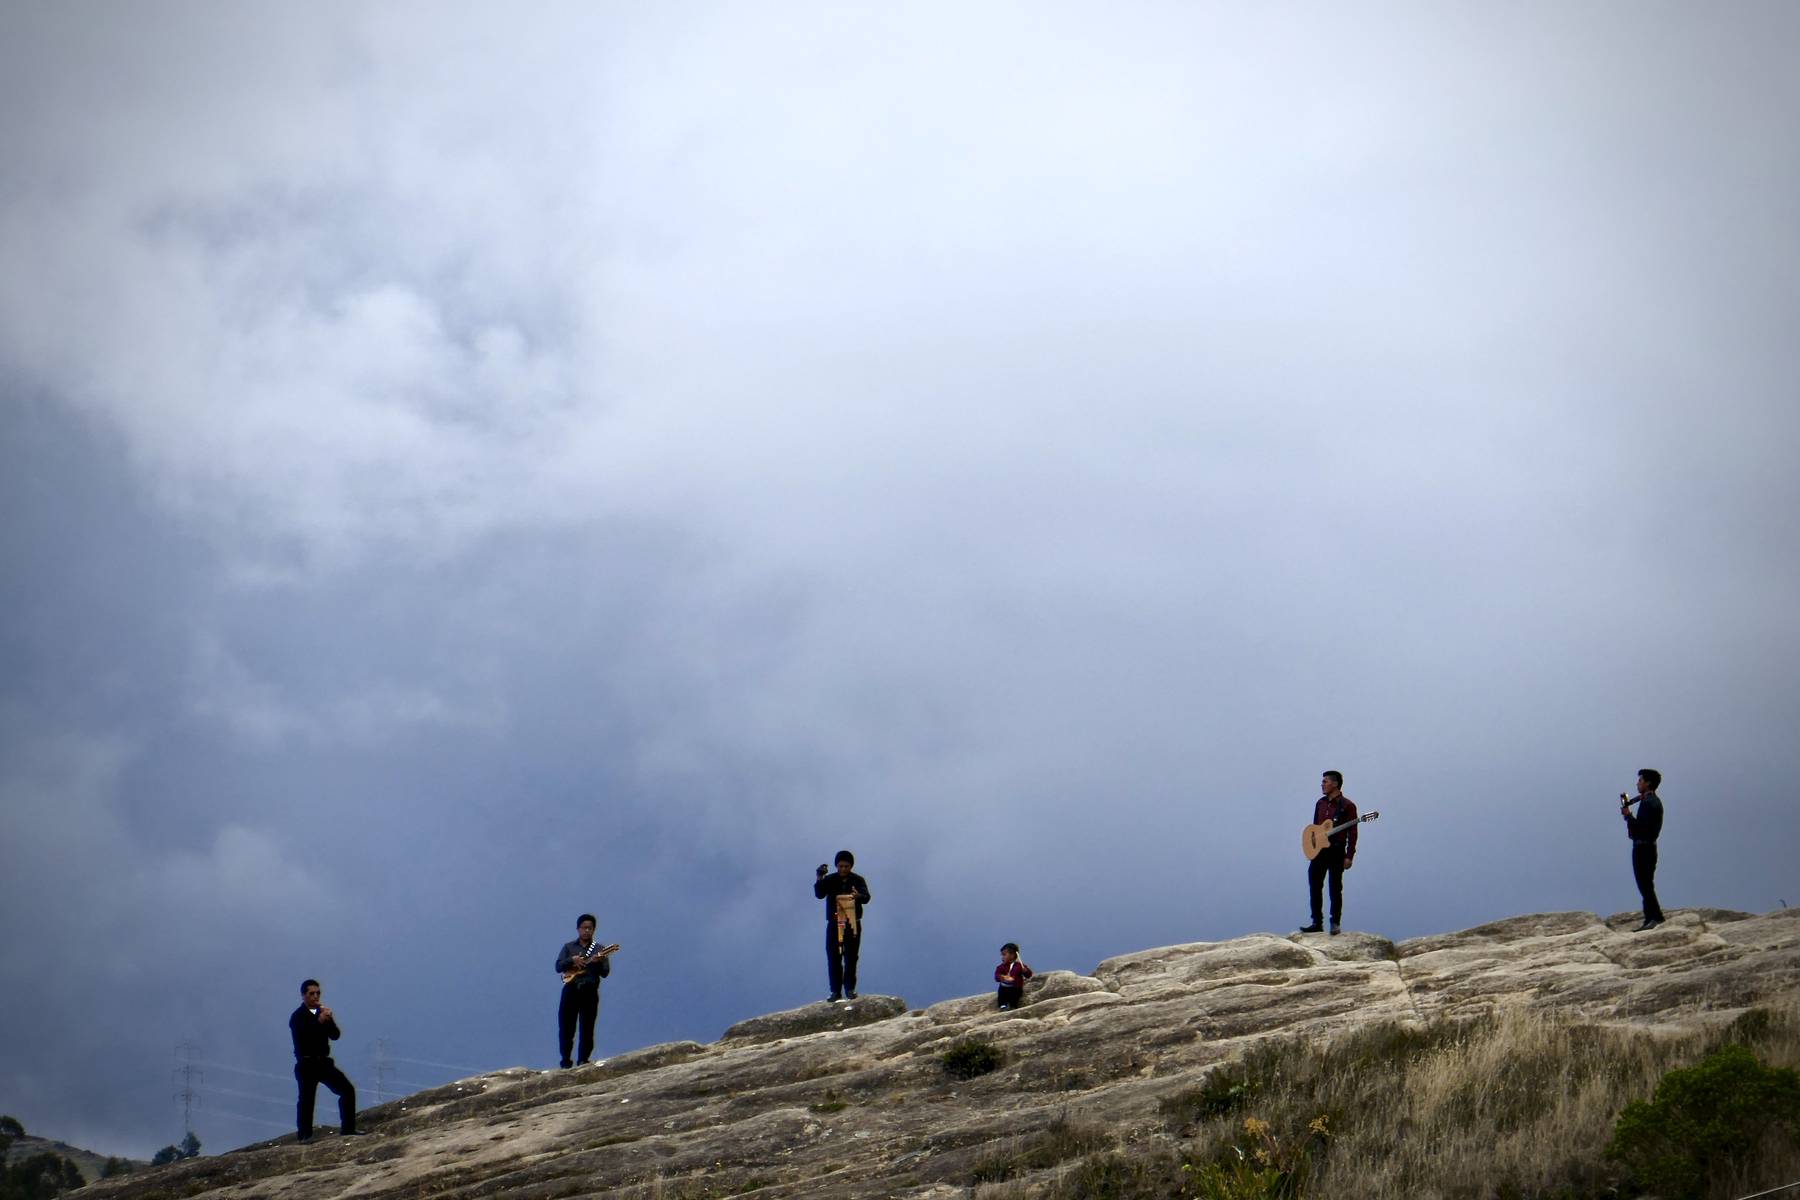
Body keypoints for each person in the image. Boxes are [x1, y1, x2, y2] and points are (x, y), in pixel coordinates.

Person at [289, 979, 362, 1141]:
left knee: (347, 1090)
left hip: (323, 1062)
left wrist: (328, 1020)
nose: (315, 997)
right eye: (311, 994)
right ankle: (305, 1135)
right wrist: (319, 1021)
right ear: (304, 996)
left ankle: (348, 1128)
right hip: (307, 1064)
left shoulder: (321, 1012)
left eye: (318, 993)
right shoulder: (298, 1016)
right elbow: (304, 1035)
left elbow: (335, 1035)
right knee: (307, 1100)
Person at [1299, 770, 1358, 936]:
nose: (1322, 784)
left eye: (1325, 781)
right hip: (1319, 850)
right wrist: (1312, 842)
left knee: (1335, 887)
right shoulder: (1320, 803)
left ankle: (1335, 923)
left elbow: (1353, 832)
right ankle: (1316, 922)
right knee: (1315, 884)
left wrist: (1349, 855)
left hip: (1336, 849)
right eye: (1322, 781)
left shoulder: (1347, 806)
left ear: (1335, 784)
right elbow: (1315, 826)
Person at [554, 913, 613, 1068]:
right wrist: (572, 960)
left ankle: (583, 1061)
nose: (586, 931)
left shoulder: (600, 949)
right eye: (584, 928)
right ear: (578, 929)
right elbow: (558, 967)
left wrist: (598, 963)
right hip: (571, 989)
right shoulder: (568, 947)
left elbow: (605, 973)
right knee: (566, 1027)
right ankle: (566, 1061)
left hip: (589, 991)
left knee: (587, 1027)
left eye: (590, 928)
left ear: (594, 930)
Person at [813, 850, 871, 1001]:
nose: (843, 869)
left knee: (851, 958)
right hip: (834, 924)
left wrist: (858, 896)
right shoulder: (830, 879)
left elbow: (866, 897)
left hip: (852, 924)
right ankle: (835, 992)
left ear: (851, 866)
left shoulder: (858, 880)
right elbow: (819, 894)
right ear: (836, 866)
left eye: (846, 866)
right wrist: (820, 877)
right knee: (834, 958)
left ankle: (850, 989)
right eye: (840, 866)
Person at [1621, 769, 1665, 931]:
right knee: (1645, 884)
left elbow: (1642, 828)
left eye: (1640, 781)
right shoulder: (1649, 801)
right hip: (1646, 847)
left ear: (1648, 783)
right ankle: (1650, 918)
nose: (1637, 783)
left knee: (1645, 884)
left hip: (1644, 848)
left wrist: (1628, 816)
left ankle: (1655, 918)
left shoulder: (1649, 803)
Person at [995, 942, 1034, 1010]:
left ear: (1012, 955)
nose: (1002, 957)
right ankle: (1002, 1006)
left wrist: (1026, 971)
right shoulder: (1000, 967)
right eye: (1002, 955)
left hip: (1016, 988)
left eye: (1004, 955)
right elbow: (996, 976)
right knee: (1001, 996)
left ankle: (1013, 1006)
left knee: (1014, 997)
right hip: (1004, 987)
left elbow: (1029, 975)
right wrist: (1002, 977)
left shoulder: (1019, 966)